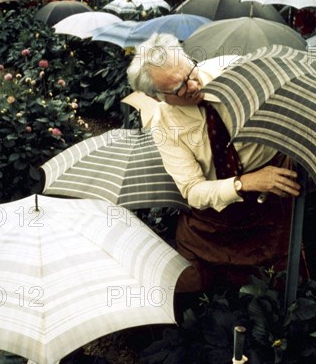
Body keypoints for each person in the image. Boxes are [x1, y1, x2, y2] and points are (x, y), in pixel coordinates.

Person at [127, 33, 301, 293]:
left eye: (190, 73)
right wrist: (245, 183)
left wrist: (288, 150)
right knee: (190, 284)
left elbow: (290, 105)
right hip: (217, 210)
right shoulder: (163, 124)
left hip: (270, 195)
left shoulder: (236, 71)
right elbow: (193, 191)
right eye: (179, 88)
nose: (193, 86)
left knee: (279, 280)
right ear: (157, 96)